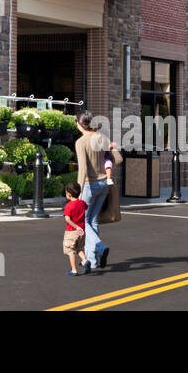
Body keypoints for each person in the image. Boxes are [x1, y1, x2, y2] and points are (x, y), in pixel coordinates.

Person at [74, 111, 122, 271]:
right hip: (104, 184)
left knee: (82, 221)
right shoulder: (101, 138)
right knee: (92, 220)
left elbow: (83, 169)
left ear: (80, 124)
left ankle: (99, 247)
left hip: (88, 185)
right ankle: (92, 261)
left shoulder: (81, 142)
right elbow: (119, 158)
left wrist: (77, 191)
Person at [61, 181, 88, 276]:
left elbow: (67, 219)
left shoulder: (68, 206)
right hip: (82, 231)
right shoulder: (82, 203)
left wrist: (76, 227)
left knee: (70, 251)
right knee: (79, 248)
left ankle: (74, 270)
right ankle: (85, 261)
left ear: (68, 194)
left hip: (71, 232)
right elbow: (85, 207)